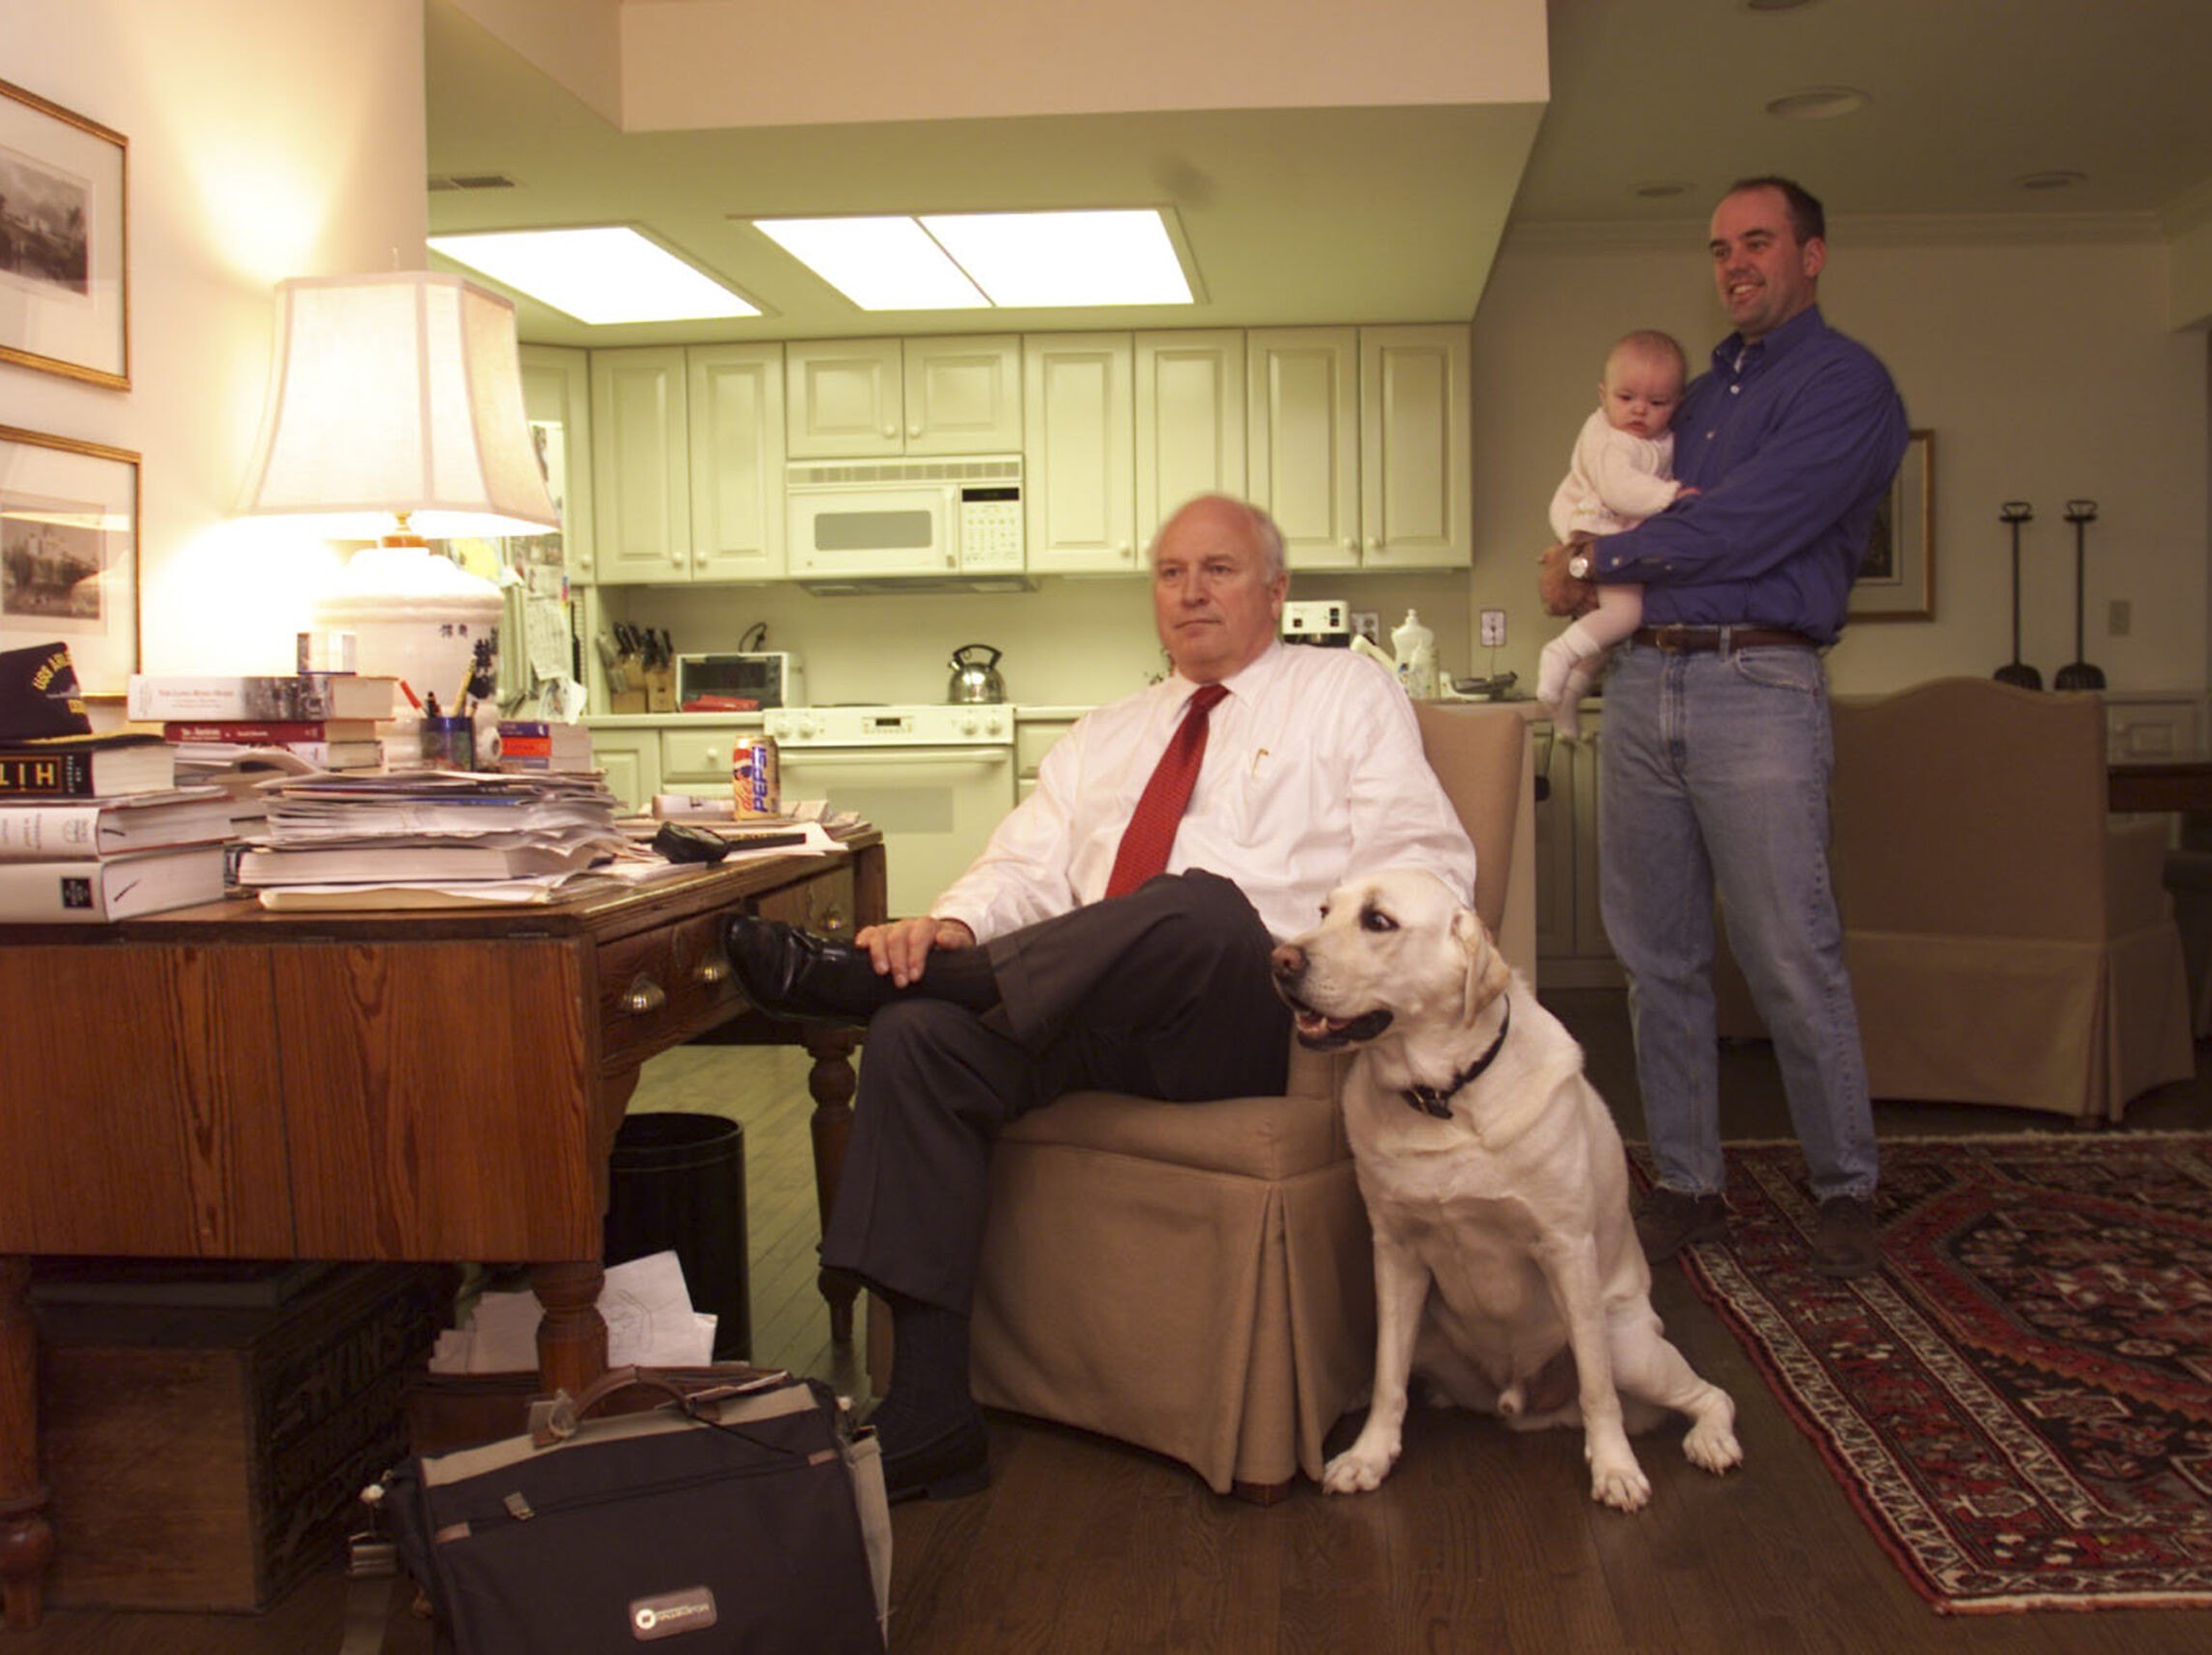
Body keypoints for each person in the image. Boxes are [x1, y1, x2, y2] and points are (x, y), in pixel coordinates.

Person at [722, 493, 1476, 1500]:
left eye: (1218, 569)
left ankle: (860, 983)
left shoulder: (1343, 694)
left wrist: (1350, 972)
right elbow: (1020, 874)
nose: (1191, 591)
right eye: (1170, 573)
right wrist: (948, 929)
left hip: (1247, 1018)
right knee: (914, 1033)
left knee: (1199, 907)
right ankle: (932, 1412)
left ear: (1276, 590)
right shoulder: (1105, 733)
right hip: (1078, 1014)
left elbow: (1422, 863)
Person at [1536, 175, 1909, 1280]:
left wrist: (1596, 561)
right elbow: (1604, 493)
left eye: (1757, 241)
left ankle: (1845, 1188)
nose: (1735, 262)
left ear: (1812, 253)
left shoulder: (1849, 386)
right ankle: (1691, 1187)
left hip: (1761, 687)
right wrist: (1578, 551)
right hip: (1644, 686)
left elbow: (1754, 527)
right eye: (1718, 248)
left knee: (1790, 956)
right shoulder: (1687, 398)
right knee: (1657, 959)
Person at [1534, 329, 1691, 738]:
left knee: (1606, 637)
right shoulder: (1612, 441)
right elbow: (1621, 490)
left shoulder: (1653, 439)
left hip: (1612, 536)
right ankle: (1558, 653)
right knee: (1625, 616)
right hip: (1601, 534)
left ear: (1677, 404)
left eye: (1657, 403)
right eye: (1626, 398)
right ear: (1603, 395)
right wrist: (1670, 495)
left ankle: (1567, 697)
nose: (1640, 410)